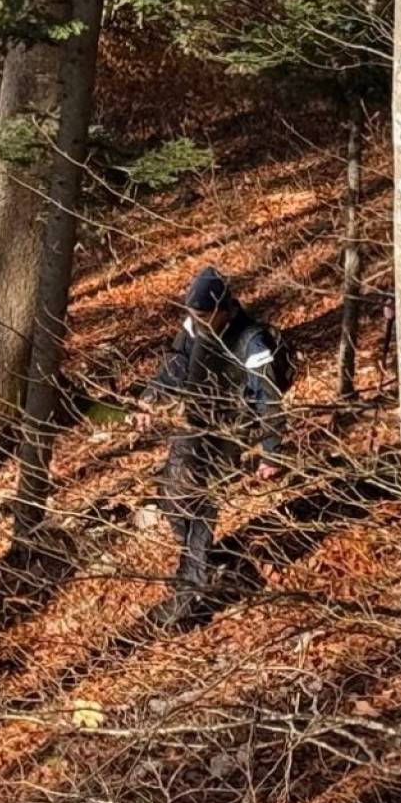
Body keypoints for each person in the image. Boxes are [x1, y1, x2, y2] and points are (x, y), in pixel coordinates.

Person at [135, 266, 286, 630]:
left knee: (200, 503)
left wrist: (271, 450)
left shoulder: (251, 341)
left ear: (222, 309)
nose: (196, 320)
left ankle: (190, 594)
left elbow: (269, 398)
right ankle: (203, 561)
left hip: (229, 432)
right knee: (171, 498)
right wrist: (152, 396)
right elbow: (179, 363)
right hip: (194, 422)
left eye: (202, 315)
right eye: (193, 314)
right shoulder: (195, 324)